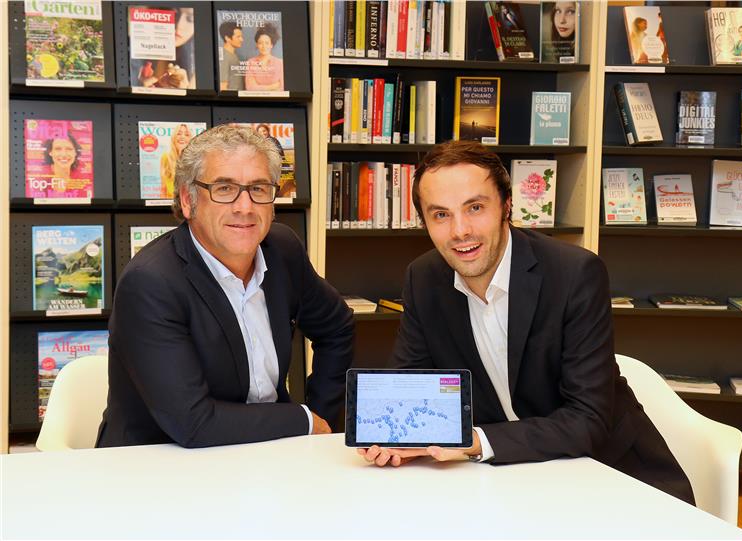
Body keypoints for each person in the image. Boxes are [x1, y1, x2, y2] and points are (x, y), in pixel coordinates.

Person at [358, 141, 695, 506]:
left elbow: (587, 420)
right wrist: (393, 437)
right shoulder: (424, 278)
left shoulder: (574, 274)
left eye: (475, 207)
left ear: (506, 205)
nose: (460, 230)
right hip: (509, 482)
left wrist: (475, 441)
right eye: (441, 215)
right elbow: (410, 388)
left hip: (614, 478)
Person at [97, 124, 354, 448]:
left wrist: (322, 416)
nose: (245, 206)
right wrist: (304, 421)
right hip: (160, 460)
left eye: (258, 188)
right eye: (224, 188)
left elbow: (337, 327)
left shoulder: (282, 249)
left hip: (268, 449)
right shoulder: (150, 282)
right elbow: (192, 423)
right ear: (188, 201)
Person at [134, 7, 195, 89]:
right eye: (174, 14)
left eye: (190, 19)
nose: (179, 25)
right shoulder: (135, 48)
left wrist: (183, 91)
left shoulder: (194, 67)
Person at [245, 23, 284, 91]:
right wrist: (273, 86)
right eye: (260, 43)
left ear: (271, 45)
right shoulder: (251, 62)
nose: (264, 46)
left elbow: (282, 88)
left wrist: (259, 88)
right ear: (257, 45)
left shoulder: (280, 63)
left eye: (267, 43)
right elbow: (250, 87)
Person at [159, 123, 193, 199]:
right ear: (174, 137)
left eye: (186, 135)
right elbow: (163, 189)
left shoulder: (195, 159)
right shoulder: (166, 157)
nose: (182, 137)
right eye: (179, 134)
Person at [219, 21, 244, 91]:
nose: (242, 39)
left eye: (241, 36)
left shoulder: (233, 55)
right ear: (227, 38)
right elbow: (222, 88)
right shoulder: (224, 56)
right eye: (238, 37)